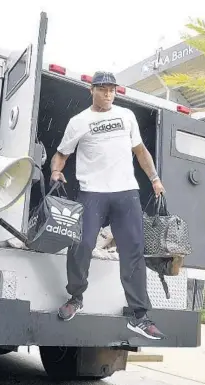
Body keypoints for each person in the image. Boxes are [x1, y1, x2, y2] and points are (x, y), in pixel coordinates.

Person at [51, 71, 166, 340]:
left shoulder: (127, 116)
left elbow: (140, 151)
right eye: (103, 89)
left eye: (112, 89)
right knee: (81, 244)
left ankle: (139, 316)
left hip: (126, 192)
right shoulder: (78, 121)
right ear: (92, 90)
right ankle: (76, 296)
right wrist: (56, 172)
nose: (108, 94)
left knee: (133, 251)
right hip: (93, 193)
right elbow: (61, 153)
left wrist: (155, 178)